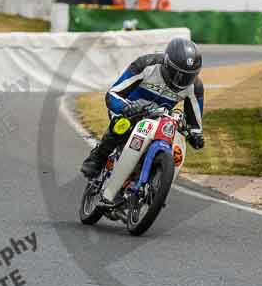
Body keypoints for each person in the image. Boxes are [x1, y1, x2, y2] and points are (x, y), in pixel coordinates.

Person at [81, 37, 205, 179]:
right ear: (166, 64)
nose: (181, 80)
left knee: (173, 140)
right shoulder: (146, 64)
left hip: (160, 118)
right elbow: (112, 94)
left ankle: (154, 180)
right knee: (123, 125)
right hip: (130, 109)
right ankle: (98, 157)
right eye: (176, 74)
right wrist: (125, 107)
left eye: (187, 76)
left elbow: (195, 123)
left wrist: (196, 136)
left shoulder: (195, 87)